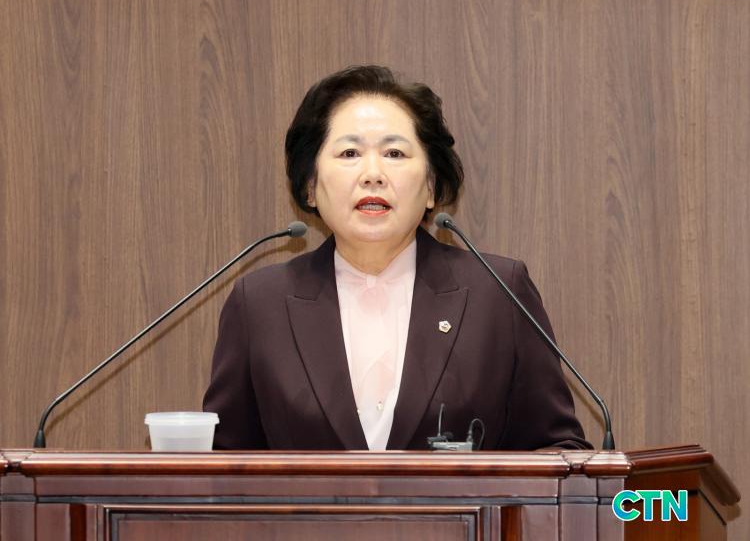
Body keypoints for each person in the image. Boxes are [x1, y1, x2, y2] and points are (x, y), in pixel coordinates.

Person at [203, 65, 592, 451]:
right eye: (350, 153)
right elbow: (222, 466)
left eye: (394, 153)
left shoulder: (498, 293)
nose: (373, 174)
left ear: (431, 187)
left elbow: (560, 451)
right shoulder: (259, 305)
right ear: (310, 186)